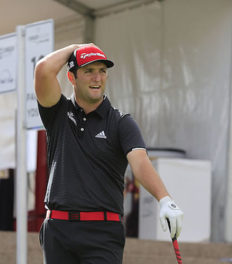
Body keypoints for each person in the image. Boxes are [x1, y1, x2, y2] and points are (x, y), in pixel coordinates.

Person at [35, 43, 184, 263]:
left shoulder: (121, 122)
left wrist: (164, 199)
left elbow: (140, 163)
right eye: (88, 71)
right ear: (71, 77)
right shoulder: (58, 113)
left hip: (103, 233)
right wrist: (77, 47)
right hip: (58, 231)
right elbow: (43, 69)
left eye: (102, 71)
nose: (97, 78)